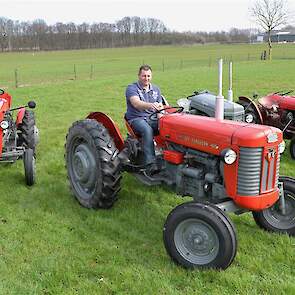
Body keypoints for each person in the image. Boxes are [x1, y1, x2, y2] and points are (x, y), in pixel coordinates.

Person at [125, 64, 164, 175]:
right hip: (136, 119)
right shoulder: (132, 88)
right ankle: (150, 163)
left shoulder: (156, 89)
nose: (146, 78)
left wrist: (161, 121)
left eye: (148, 76)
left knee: (169, 127)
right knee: (147, 130)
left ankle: (168, 156)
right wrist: (151, 105)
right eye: (144, 76)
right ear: (139, 76)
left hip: (152, 118)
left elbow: (160, 108)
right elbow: (136, 104)